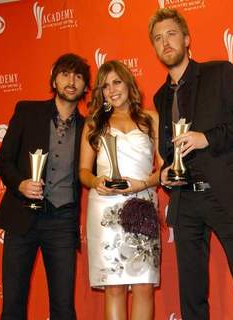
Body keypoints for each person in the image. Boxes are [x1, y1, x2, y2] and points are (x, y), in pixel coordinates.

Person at [148, 8, 233, 320]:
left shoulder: (219, 73)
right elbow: (167, 150)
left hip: (227, 196)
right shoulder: (160, 96)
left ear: (187, 39)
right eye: (158, 38)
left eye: (171, 34)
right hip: (186, 200)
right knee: (191, 295)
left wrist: (208, 138)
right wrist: (165, 175)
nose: (166, 43)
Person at [0, 53, 91, 320]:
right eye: (65, 74)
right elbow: (3, 161)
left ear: (85, 86)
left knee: (63, 306)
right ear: (54, 79)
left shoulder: (89, 128)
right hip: (22, 216)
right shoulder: (27, 111)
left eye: (78, 76)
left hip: (62, 220)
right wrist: (20, 184)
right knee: (13, 303)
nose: (71, 81)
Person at [79, 60, 163, 320]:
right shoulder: (94, 122)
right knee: (113, 286)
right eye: (105, 86)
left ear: (128, 83)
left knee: (144, 284)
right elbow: (83, 171)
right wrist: (95, 182)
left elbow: (164, 169)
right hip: (106, 208)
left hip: (142, 203)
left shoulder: (151, 118)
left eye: (116, 82)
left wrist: (144, 183)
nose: (112, 90)